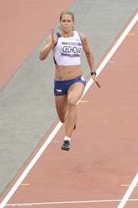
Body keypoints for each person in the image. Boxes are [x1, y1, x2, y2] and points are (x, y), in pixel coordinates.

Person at [39, 10, 99, 151]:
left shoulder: (80, 37)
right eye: (63, 21)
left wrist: (93, 72)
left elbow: (89, 54)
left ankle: (67, 139)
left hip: (76, 80)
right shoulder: (55, 38)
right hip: (60, 82)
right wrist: (50, 44)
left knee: (72, 102)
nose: (66, 23)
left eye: (68, 21)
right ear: (60, 23)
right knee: (62, 119)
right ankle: (71, 122)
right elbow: (41, 57)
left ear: (73, 23)